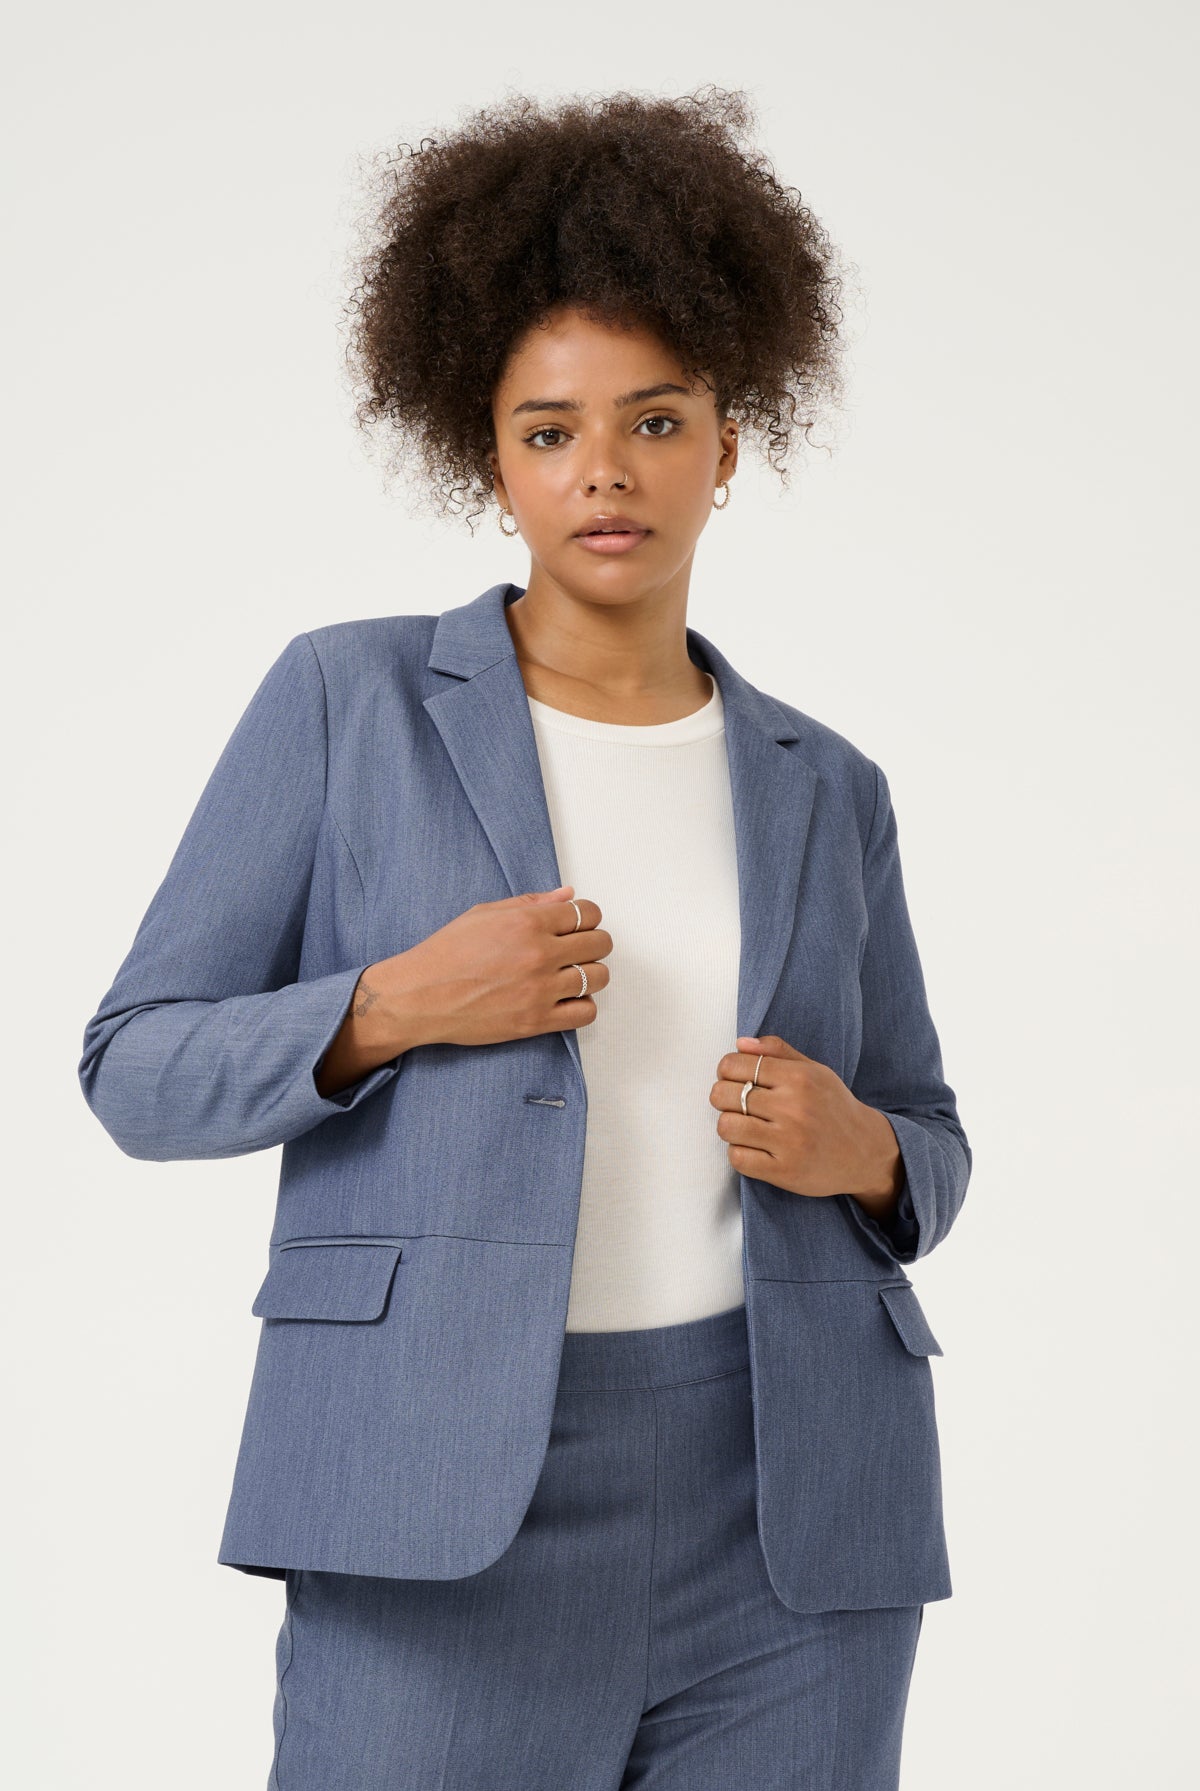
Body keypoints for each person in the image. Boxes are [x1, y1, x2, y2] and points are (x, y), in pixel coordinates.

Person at [79, 87, 971, 1791]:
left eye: (656, 420)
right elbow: (135, 1069)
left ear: (731, 444)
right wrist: (395, 1003)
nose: (606, 471)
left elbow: (927, 1131)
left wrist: (865, 1155)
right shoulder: (346, 701)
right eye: (550, 430)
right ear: (486, 457)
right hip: (435, 1491)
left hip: (795, 1518)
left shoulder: (826, 785)